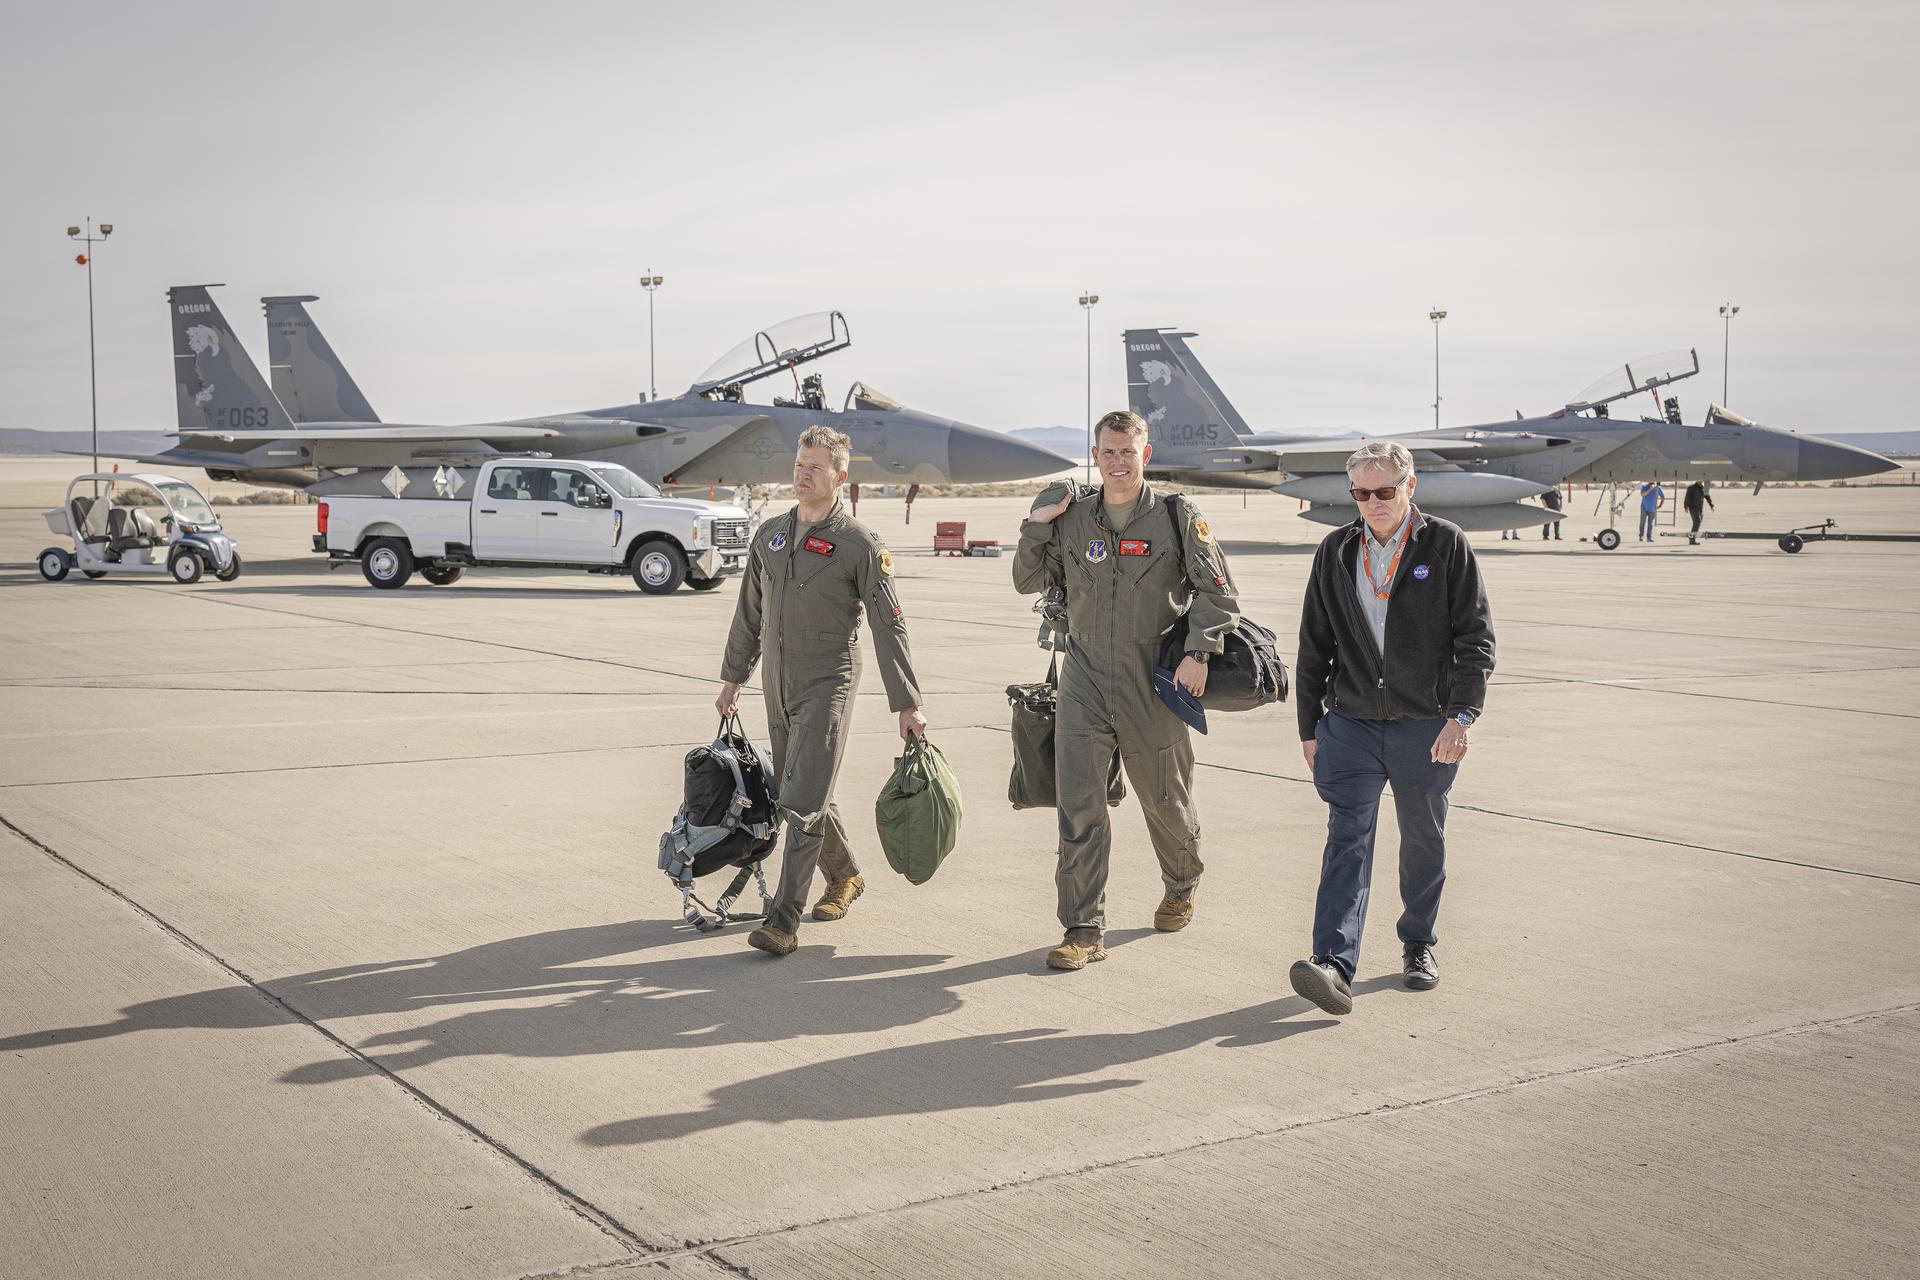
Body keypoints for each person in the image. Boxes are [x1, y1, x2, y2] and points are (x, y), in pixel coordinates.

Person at [1012, 410, 1240, 971]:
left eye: (1127, 452)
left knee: (1165, 800)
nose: (1117, 461)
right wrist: (1038, 521)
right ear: (1096, 455)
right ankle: (1083, 928)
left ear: (1146, 455)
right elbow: (1026, 579)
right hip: (1084, 677)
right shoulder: (1072, 519)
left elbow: (1220, 595)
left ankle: (1182, 882)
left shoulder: (1175, 515)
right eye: (1108, 451)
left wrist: (1198, 652)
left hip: (1151, 680)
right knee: (1079, 806)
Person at [1289, 441, 1495, 1016]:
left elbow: (1475, 640)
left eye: (1385, 491)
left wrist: (1462, 715)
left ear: (1411, 486)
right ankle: (1332, 963)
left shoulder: (1445, 544)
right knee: (1346, 841)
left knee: (1423, 839)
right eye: (1361, 493)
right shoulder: (1335, 550)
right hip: (1350, 725)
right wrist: (1310, 727)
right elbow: (1313, 646)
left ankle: (1418, 941)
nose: (1373, 502)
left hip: (1424, 726)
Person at [716, 426, 927, 957]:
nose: (802, 474)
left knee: (802, 800)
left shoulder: (858, 545)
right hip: (776, 680)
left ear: (840, 475)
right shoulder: (771, 535)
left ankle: (783, 920)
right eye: (798, 463)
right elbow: (749, 614)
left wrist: (907, 702)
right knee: (802, 791)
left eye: (814, 467)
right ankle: (846, 874)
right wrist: (733, 677)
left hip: (828, 678)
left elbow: (888, 625)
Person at [1683, 480, 1715, 545]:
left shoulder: (1703, 488)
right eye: (1699, 480)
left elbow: (1707, 496)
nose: (1701, 481)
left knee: (1698, 524)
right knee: (1697, 521)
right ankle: (1692, 538)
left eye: (1702, 480)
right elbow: (1687, 497)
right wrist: (1686, 506)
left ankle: (1692, 538)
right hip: (1693, 508)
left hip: (1700, 509)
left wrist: (1711, 505)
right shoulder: (1691, 488)